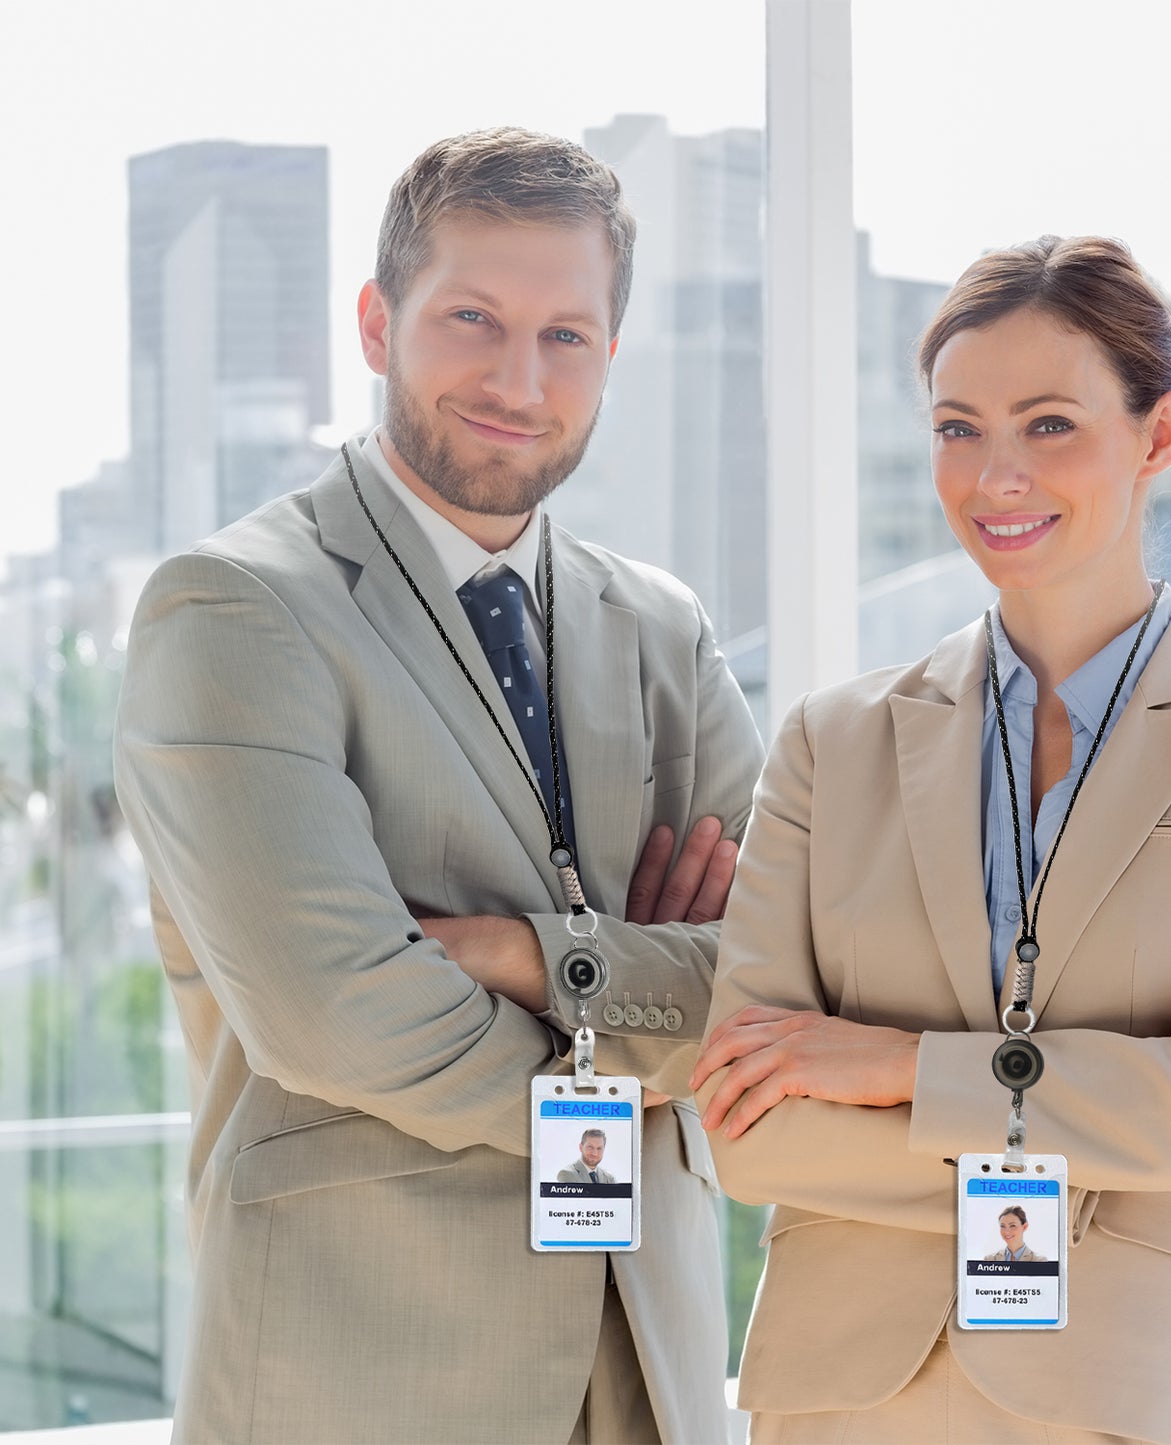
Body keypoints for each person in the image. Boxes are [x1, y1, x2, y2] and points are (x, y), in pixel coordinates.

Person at [114, 127, 764, 1445]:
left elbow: (774, 987)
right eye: (472, 317)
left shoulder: (664, 630)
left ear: (608, 359)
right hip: (366, 1380)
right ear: (376, 321)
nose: (517, 378)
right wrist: (642, 1033)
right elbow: (339, 1011)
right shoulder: (234, 609)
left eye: (564, 335)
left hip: (650, 1373)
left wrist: (525, 953)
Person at [692, 236, 1171, 1444]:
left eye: (1048, 423)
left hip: (1148, 1396)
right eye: (957, 428)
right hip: (851, 1404)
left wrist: (897, 1065)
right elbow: (753, 1128)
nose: (992, 474)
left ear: (1157, 435)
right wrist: (1151, 1089)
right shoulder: (827, 743)